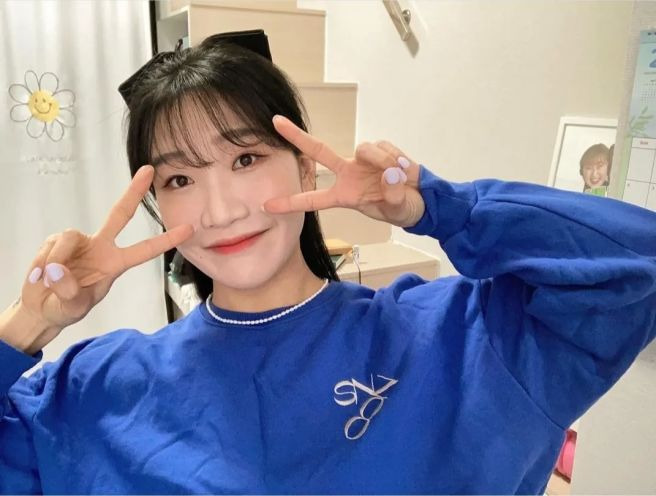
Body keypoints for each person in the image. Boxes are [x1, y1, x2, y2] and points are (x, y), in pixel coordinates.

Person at [1, 31, 655, 495]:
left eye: (246, 158)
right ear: (156, 206)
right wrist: (26, 328)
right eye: (180, 180)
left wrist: (446, 210)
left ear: (305, 167)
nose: (221, 209)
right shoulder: (95, 390)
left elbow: (635, 266)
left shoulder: (460, 340)